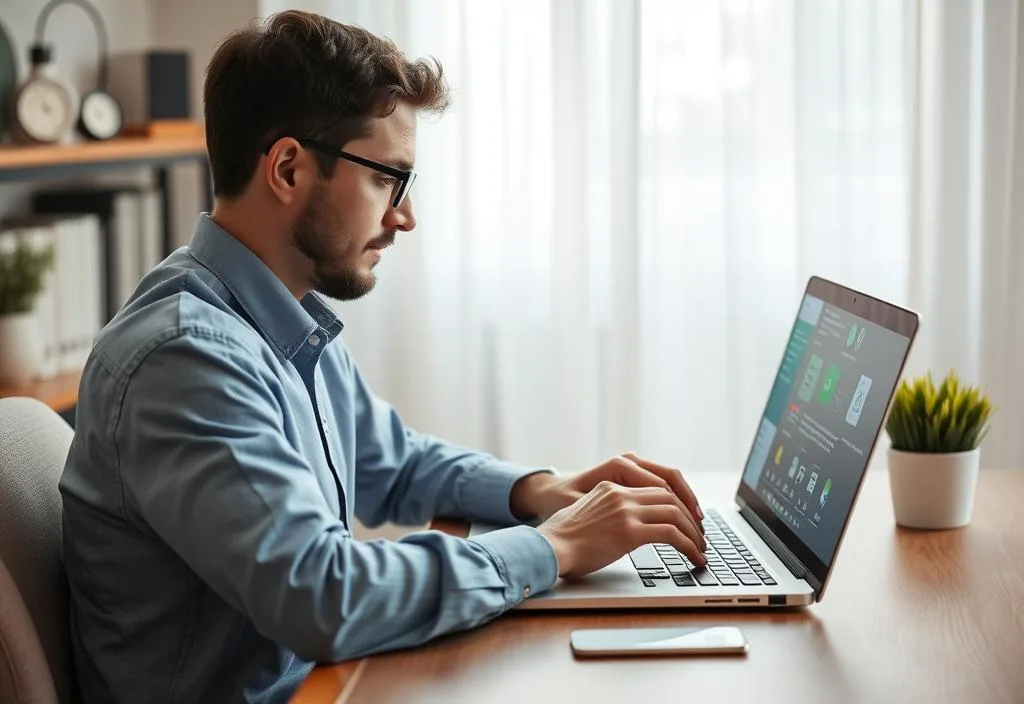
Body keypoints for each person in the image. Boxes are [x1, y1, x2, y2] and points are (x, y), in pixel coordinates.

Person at [59, 10, 707, 703]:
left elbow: (388, 462)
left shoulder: (278, 313)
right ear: (287, 168)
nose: (405, 217)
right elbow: (325, 598)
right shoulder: (188, 359)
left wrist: (535, 491)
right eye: (387, 180)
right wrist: (556, 547)